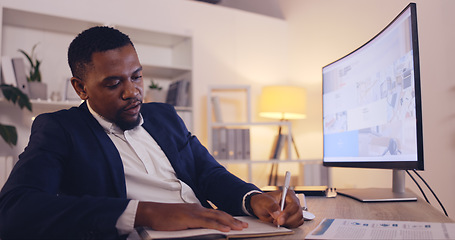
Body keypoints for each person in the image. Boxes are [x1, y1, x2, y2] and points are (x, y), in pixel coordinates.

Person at [0, 26, 303, 239]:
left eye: (137, 76)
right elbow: (14, 209)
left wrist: (254, 199)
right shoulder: (61, 129)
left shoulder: (164, 117)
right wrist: (142, 213)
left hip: (218, 231)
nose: (132, 92)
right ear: (81, 88)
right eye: (113, 83)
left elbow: (209, 174)